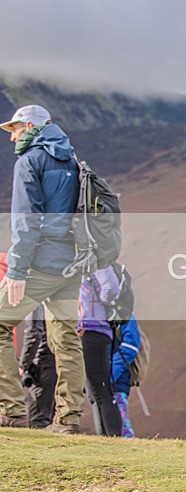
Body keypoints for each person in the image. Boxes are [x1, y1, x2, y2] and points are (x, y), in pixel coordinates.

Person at [0, 105, 86, 434]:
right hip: (70, 264)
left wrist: (18, 270)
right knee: (65, 340)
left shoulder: (30, 162)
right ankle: (68, 419)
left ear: (33, 126)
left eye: (16, 128)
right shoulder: (72, 161)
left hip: (39, 264)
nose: (12, 136)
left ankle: (10, 409)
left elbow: (26, 222)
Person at [79, 264, 122, 436]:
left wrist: (97, 304)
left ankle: (113, 438)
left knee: (101, 389)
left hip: (94, 328)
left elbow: (111, 289)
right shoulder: (84, 260)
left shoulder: (96, 260)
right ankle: (105, 438)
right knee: (95, 392)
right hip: (90, 328)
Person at [18, 304, 58, 428]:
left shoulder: (36, 302)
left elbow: (34, 332)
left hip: (43, 361)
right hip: (60, 361)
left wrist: (23, 365)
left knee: (38, 419)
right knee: (53, 418)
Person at [110, 314, 141, 438]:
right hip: (104, 378)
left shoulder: (125, 314)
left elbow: (130, 347)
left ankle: (129, 451)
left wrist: (110, 375)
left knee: (121, 425)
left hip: (117, 381)